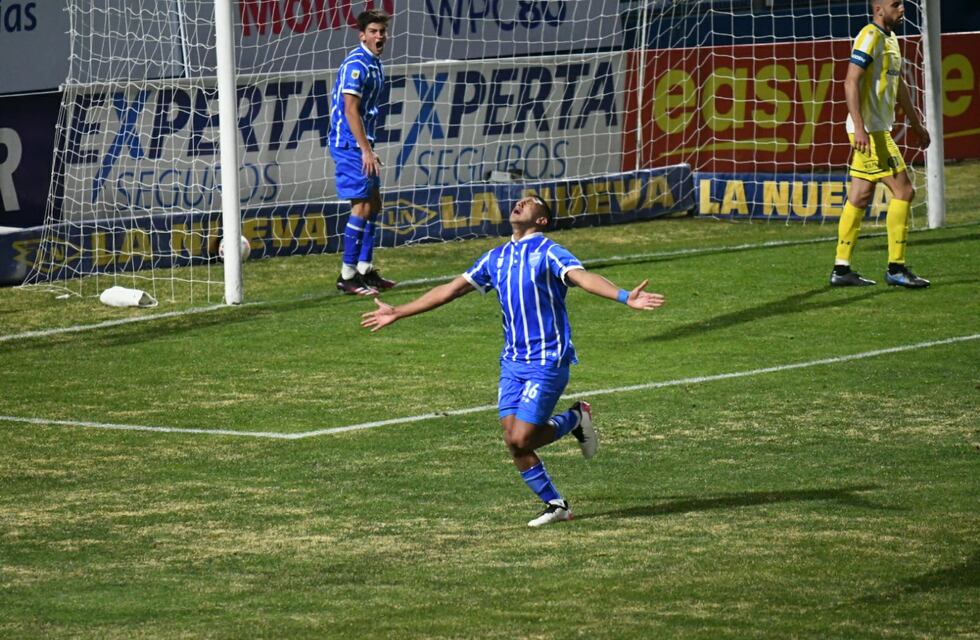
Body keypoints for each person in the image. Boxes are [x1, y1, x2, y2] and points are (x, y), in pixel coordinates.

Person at [361, 196, 666, 527]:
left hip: (548, 359)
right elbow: (450, 290)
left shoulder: (549, 251)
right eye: (520, 199)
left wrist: (624, 296)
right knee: (513, 439)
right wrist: (399, 311)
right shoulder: (496, 258)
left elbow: (582, 277)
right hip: (512, 363)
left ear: (542, 220)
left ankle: (576, 418)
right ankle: (556, 504)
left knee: (522, 438)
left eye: (531, 202)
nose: (521, 202)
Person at [830, 0, 931, 288]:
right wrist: (859, 127)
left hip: (875, 129)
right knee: (904, 190)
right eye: (895, 4)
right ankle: (896, 268)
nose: (902, 9)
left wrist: (916, 124)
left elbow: (899, 87)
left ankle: (841, 268)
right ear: (878, 9)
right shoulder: (870, 36)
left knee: (859, 196)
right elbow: (851, 82)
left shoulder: (891, 39)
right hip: (871, 133)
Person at [329, 10, 396, 296]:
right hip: (349, 144)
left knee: (374, 203)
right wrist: (365, 150)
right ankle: (347, 275)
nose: (379, 36)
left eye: (382, 31)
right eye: (373, 31)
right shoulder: (356, 64)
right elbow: (350, 109)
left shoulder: (374, 63)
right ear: (362, 35)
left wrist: (368, 146)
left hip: (363, 143)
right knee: (362, 206)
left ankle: (366, 269)